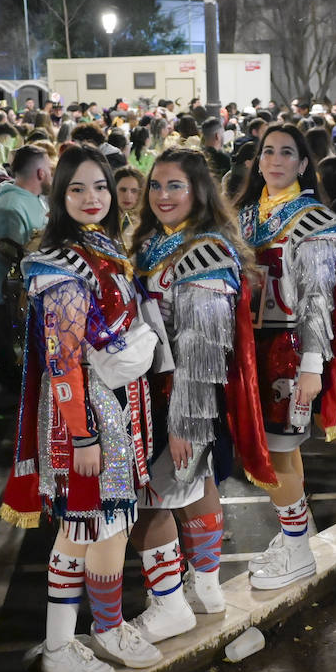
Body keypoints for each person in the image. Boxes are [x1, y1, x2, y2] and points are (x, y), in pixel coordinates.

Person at [0, 145, 162, 672]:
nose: (92, 198)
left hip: (115, 405)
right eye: (77, 189)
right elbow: (63, 362)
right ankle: (101, 631)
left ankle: (64, 642)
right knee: (100, 526)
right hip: (89, 415)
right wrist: (83, 436)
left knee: (85, 530)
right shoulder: (63, 264)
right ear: (57, 194)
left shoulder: (106, 249)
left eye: (100, 187)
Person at [130, 147, 277, 638]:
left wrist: (184, 423)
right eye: (156, 185)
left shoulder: (203, 251)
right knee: (195, 486)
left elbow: (203, 349)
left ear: (198, 191)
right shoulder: (159, 240)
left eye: (175, 186)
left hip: (183, 396)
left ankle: (171, 604)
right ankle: (207, 588)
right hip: (167, 392)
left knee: (151, 499)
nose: (163, 195)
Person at [235, 124, 336, 589]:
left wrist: (312, 365)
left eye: (287, 153)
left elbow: (319, 298)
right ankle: (292, 534)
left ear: (303, 164)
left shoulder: (313, 219)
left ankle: (299, 551)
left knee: (280, 450)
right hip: (252, 348)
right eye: (268, 152)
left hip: (290, 346)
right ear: (257, 161)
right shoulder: (245, 217)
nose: (275, 160)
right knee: (283, 449)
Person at [0, 144, 50, 297]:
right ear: (41, 173)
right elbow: (16, 262)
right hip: (18, 303)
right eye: (49, 169)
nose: (51, 175)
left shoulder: (36, 199)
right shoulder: (9, 209)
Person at [114, 166, 145, 237]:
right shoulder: (103, 219)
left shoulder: (146, 222)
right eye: (123, 190)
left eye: (134, 191)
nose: (128, 196)